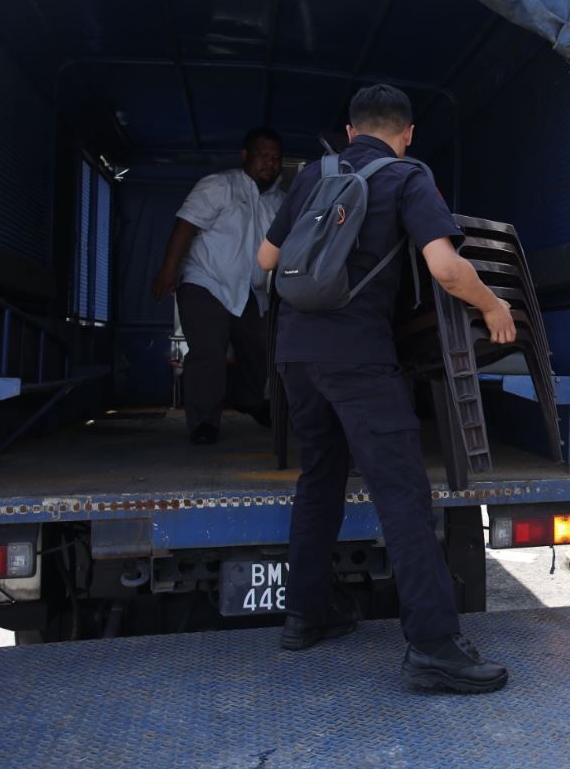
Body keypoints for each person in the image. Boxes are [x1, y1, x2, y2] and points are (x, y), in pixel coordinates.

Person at [257, 84, 514, 693]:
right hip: (358, 358)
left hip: (296, 356)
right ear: (407, 132)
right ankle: (433, 646)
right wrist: (493, 304)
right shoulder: (406, 176)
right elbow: (446, 269)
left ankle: (306, 615)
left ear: (350, 131)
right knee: (401, 495)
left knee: (318, 479)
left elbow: (267, 260)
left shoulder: (312, 175)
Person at [153, 127, 286, 444]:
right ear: (245, 156)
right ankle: (204, 422)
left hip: (252, 292)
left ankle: (249, 399)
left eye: (276, 159)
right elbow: (185, 225)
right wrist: (168, 271)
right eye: (263, 156)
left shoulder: (281, 202)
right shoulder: (219, 185)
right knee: (208, 352)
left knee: (262, 348)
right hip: (205, 281)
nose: (269, 163)